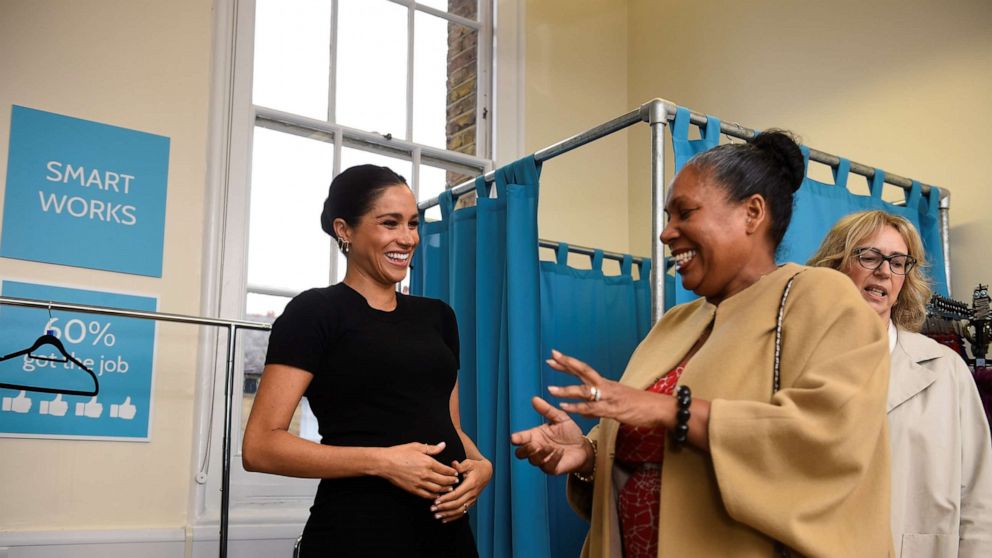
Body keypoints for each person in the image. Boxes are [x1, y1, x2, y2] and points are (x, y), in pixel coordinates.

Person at [510, 131, 895, 557]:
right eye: (666, 217)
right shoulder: (676, 323)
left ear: (752, 213)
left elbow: (829, 439)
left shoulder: (822, 297)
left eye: (684, 213)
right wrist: (586, 454)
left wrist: (670, 410)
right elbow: (646, 457)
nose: (666, 233)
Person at [242, 164, 491, 557]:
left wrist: (480, 465)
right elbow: (259, 447)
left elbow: (449, 428)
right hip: (359, 531)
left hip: (447, 533)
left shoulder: (438, 317)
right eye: (389, 223)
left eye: (412, 224)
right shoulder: (315, 313)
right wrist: (384, 462)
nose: (407, 238)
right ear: (345, 230)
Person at [809, 209, 992, 557]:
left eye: (897, 262)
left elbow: (980, 499)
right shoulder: (798, 360)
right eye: (869, 256)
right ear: (835, 266)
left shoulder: (946, 370)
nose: (884, 271)